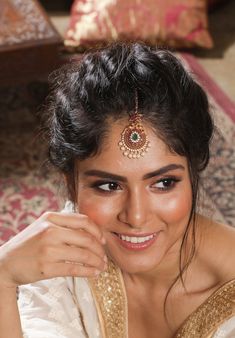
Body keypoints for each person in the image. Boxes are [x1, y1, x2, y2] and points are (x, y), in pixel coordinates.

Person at [0, 42, 235, 338]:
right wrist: (2, 278)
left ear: (192, 172)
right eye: (109, 186)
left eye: (163, 183)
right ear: (70, 183)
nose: (136, 216)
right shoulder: (65, 257)